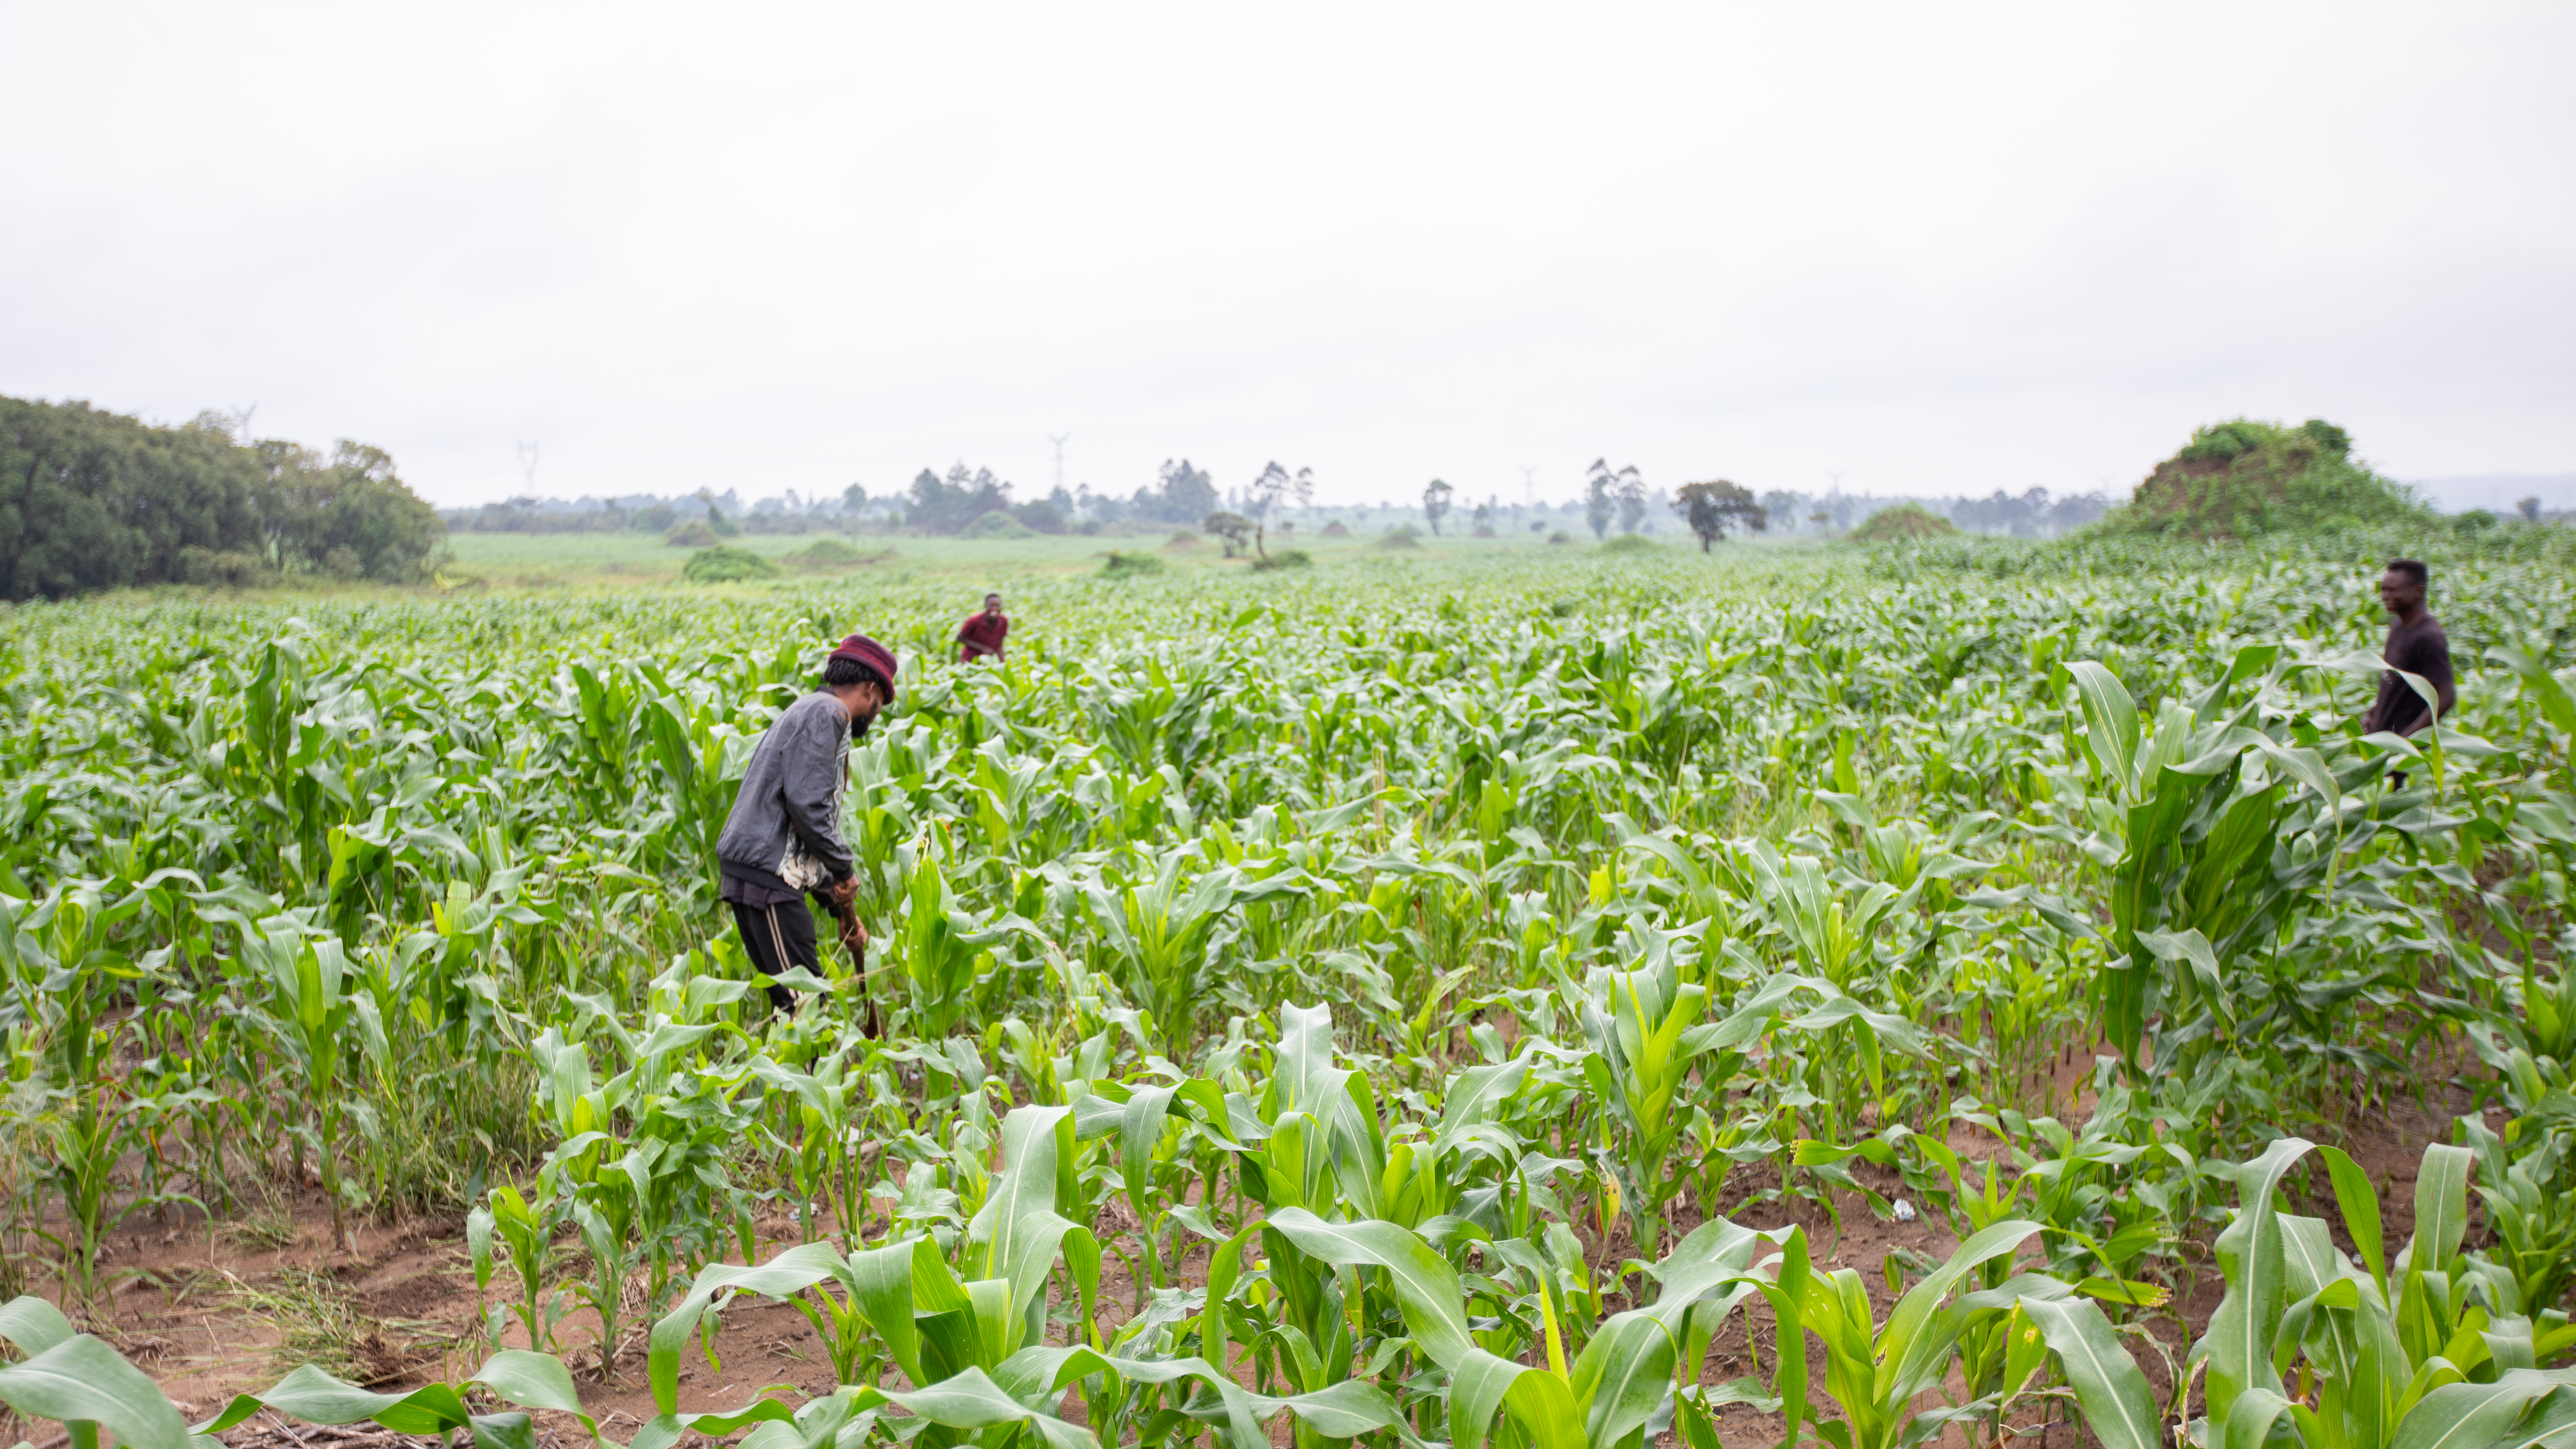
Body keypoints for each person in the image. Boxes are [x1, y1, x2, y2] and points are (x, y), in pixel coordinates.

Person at [714, 634, 897, 1013]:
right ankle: (811, 1074)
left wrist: (838, 904)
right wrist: (845, 869)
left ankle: (789, 1072)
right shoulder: (828, 714)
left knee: (793, 1006)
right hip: (768, 879)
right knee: (806, 1010)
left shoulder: (811, 709)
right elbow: (808, 807)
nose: (876, 714)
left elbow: (801, 826)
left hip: (760, 873)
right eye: (881, 704)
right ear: (870, 689)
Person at [2361, 558, 2455, 787]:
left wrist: (2408, 741)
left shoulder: (2429, 637)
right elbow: (2393, 681)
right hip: (2386, 738)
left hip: (2405, 751)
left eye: (2392, 590)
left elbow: (2447, 696)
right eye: (2383, 589)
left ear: (2418, 591)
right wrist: (2373, 713)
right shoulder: (2398, 626)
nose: (2384, 595)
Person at [957, 593, 1009, 663]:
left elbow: (999, 644)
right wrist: (983, 648)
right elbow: (960, 637)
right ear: (986, 606)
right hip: (971, 659)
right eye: (992, 606)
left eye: (997, 606)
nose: (995, 609)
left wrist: (1003, 664)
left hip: (987, 661)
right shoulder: (975, 620)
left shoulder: (1003, 621)